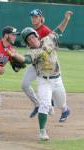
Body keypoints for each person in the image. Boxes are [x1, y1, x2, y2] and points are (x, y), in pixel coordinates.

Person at [7, 11, 73, 140]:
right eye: (29, 39)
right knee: (44, 104)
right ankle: (42, 132)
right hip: (44, 82)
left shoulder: (48, 38)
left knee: (61, 103)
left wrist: (66, 19)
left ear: (37, 36)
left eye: (33, 37)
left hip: (57, 80)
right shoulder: (33, 52)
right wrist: (15, 55)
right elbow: (26, 60)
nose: (32, 40)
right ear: (28, 44)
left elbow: (59, 30)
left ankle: (64, 108)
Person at [21, 9, 53, 118]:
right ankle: (37, 104)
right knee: (24, 84)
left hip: (45, 65)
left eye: (36, 17)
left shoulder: (45, 30)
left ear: (40, 18)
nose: (33, 18)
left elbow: (53, 45)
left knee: (45, 87)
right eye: (32, 17)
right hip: (34, 64)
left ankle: (52, 105)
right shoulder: (29, 30)